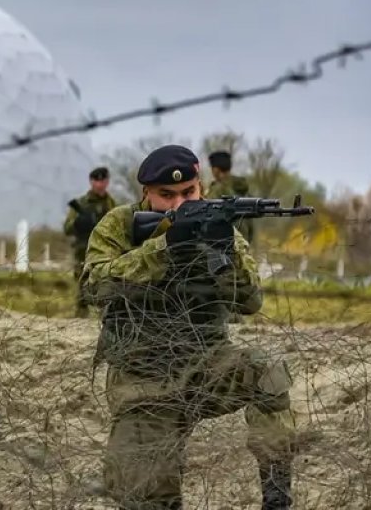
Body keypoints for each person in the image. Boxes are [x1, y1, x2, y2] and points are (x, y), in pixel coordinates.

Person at [82, 145, 295, 510]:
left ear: (202, 189)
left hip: (208, 363)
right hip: (142, 379)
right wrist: (163, 248)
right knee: (146, 497)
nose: (179, 204)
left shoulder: (217, 225)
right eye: (166, 195)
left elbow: (250, 301)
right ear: (145, 193)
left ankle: (277, 498)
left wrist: (223, 251)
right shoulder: (119, 225)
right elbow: (93, 286)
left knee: (267, 372)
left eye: (188, 193)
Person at [63, 166, 117, 316]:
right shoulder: (80, 204)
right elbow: (67, 228)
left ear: (107, 182)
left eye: (103, 181)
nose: (100, 184)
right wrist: (79, 223)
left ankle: (105, 318)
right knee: (82, 287)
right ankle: (79, 321)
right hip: (83, 251)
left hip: (106, 251)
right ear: (91, 182)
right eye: (96, 181)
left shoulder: (112, 204)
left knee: (106, 285)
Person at [207, 150, 255, 246]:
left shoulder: (218, 189)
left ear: (216, 169)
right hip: (243, 239)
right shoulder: (242, 187)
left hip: (224, 242)